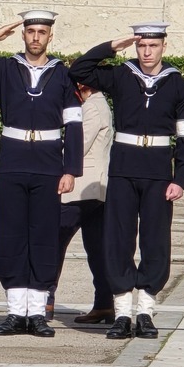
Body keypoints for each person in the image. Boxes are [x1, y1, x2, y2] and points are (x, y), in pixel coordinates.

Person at [0, 10, 83, 338]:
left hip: (48, 165)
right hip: (13, 162)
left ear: (50, 36)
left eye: (41, 32)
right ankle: (14, 311)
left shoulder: (63, 74)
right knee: (11, 235)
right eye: (30, 31)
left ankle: (36, 313)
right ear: (23, 34)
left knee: (43, 236)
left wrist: (71, 169)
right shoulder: (5, 68)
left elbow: (74, 124)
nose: (36, 37)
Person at [69, 22, 184, 340]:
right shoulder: (121, 75)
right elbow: (79, 69)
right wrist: (113, 46)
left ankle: (145, 312)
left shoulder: (177, 84)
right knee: (119, 240)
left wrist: (180, 178)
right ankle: (123, 313)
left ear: (164, 46)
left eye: (153, 45)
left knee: (156, 241)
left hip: (158, 172)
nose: (147, 52)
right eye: (141, 46)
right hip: (123, 170)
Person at [47, 83, 114, 325]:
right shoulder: (98, 104)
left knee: (53, 242)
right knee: (97, 249)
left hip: (80, 189)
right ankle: (104, 303)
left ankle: (45, 300)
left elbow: (78, 146)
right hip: (96, 190)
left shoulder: (92, 107)